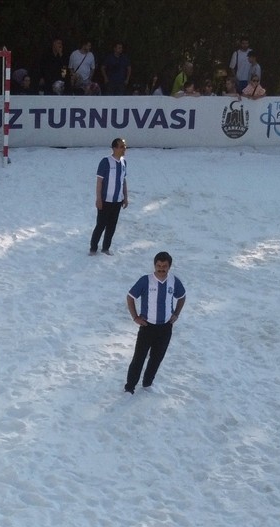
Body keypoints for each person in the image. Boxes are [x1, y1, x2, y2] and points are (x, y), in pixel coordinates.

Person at [124, 251, 186, 394]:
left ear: (169, 266)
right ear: (154, 265)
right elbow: (130, 297)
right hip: (147, 327)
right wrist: (135, 317)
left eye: (164, 266)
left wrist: (176, 314)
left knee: (157, 358)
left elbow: (182, 297)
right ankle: (130, 387)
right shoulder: (145, 280)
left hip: (165, 327)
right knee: (139, 358)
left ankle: (147, 383)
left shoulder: (174, 281)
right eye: (158, 266)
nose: (161, 269)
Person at [89, 137, 129, 255]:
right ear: (114, 148)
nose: (124, 149)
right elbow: (99, 181)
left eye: (125, 146)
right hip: (105, 200)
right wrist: (98, 198)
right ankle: (93, 248)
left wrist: (125, 197)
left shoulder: (124, 162)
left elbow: (123, 180)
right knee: (100, 225)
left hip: (117, 201)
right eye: (121, 147)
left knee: (112, 226)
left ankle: (106, 248)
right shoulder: (105, 161)